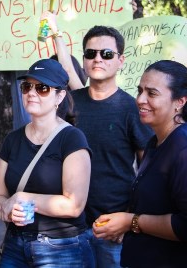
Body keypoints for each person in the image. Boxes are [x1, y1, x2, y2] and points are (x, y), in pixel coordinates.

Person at [93, 60, 187, 267]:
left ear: (180, 101)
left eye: (152, 93)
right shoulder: (156, 141)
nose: (140, 99)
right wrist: (125, 225)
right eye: (140, 91)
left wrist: (131, 222)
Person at [0, 59, 94, 267]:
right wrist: (8, 209)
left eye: (42, 88)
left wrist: (22, 198)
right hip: (15, 244)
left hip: (62, 248)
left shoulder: (72, 139)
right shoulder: (12, 139)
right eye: (27, 86)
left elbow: (74, 206)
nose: (32, 92)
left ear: (60, 95)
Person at [67, 24, 153, 266]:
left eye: (106, 54)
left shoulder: (132, 108)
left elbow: (148, 171)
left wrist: (128, 220)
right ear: (83, 59)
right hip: (69, 226)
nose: (97, 59)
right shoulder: (69, 105)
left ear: (120, 60)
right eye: (90, 54)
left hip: (112, 227)